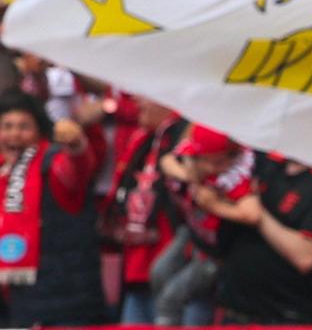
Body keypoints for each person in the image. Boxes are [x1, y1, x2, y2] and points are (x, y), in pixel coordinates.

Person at [0, 91, 106, 326]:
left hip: (64, 303)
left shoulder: (53, 161)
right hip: (15, 305)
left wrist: (76, 145)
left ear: (39, 131)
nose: (14, 133)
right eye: (6, 126)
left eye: (23, 126)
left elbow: (77, 171)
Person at [217, 153, 312, 324]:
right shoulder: (266, 165)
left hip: (288, 316)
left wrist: (258, 216)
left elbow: (306, 257)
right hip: (238, 311)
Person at [156, 124, 256, 326]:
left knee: (171, 300)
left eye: (207, 160)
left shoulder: (236, 171)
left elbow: (252, 213)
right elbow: (167, 161)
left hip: (218, 254)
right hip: (196, 236)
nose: (199, 163)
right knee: (160, 273)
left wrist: (214, 205)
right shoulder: (199, 156)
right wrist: (189, 175)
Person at [100, 98, 187, 324]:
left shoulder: (186, 138)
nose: (138, 102)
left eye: (146, 95)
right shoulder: (141, 141)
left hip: (173, 271)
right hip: (135, 269)